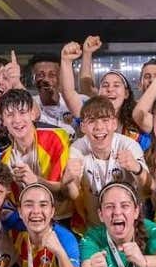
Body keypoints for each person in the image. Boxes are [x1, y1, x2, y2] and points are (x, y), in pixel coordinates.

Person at [62, 97, 149, 228]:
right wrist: (68, 181)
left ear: (114, 124)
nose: (99, 127)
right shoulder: (77, 148)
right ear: (83, 127)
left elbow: (148, 190)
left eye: (105, 120)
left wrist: (137, 169)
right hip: (95, 228)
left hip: (131, 227)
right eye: (91, 121)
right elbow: (74, 194)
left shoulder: (129, 146)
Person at [60, 38, 144, 142]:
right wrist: (66, 61)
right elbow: (68, 93)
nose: (110, 89)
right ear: (98, 93)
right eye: (105, 85)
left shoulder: (136, 121)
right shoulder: (88, 113)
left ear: (126, 93)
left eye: (116, 85)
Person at [0, 88, 70, 203]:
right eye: (10, 115)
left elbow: (64, 193)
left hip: (60, 216)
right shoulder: (3, 157)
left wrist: (36, 180)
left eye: (22, 112)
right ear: (3, 121)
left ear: (32, 114)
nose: (17, 120)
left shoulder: (55, 138)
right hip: (25, 217)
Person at [29, 53, 77, 134]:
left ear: (61, 77)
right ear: (33, 78)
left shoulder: (74, 104)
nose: (46, 79)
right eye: (40, 75)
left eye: (52, 75)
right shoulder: (28, 106)